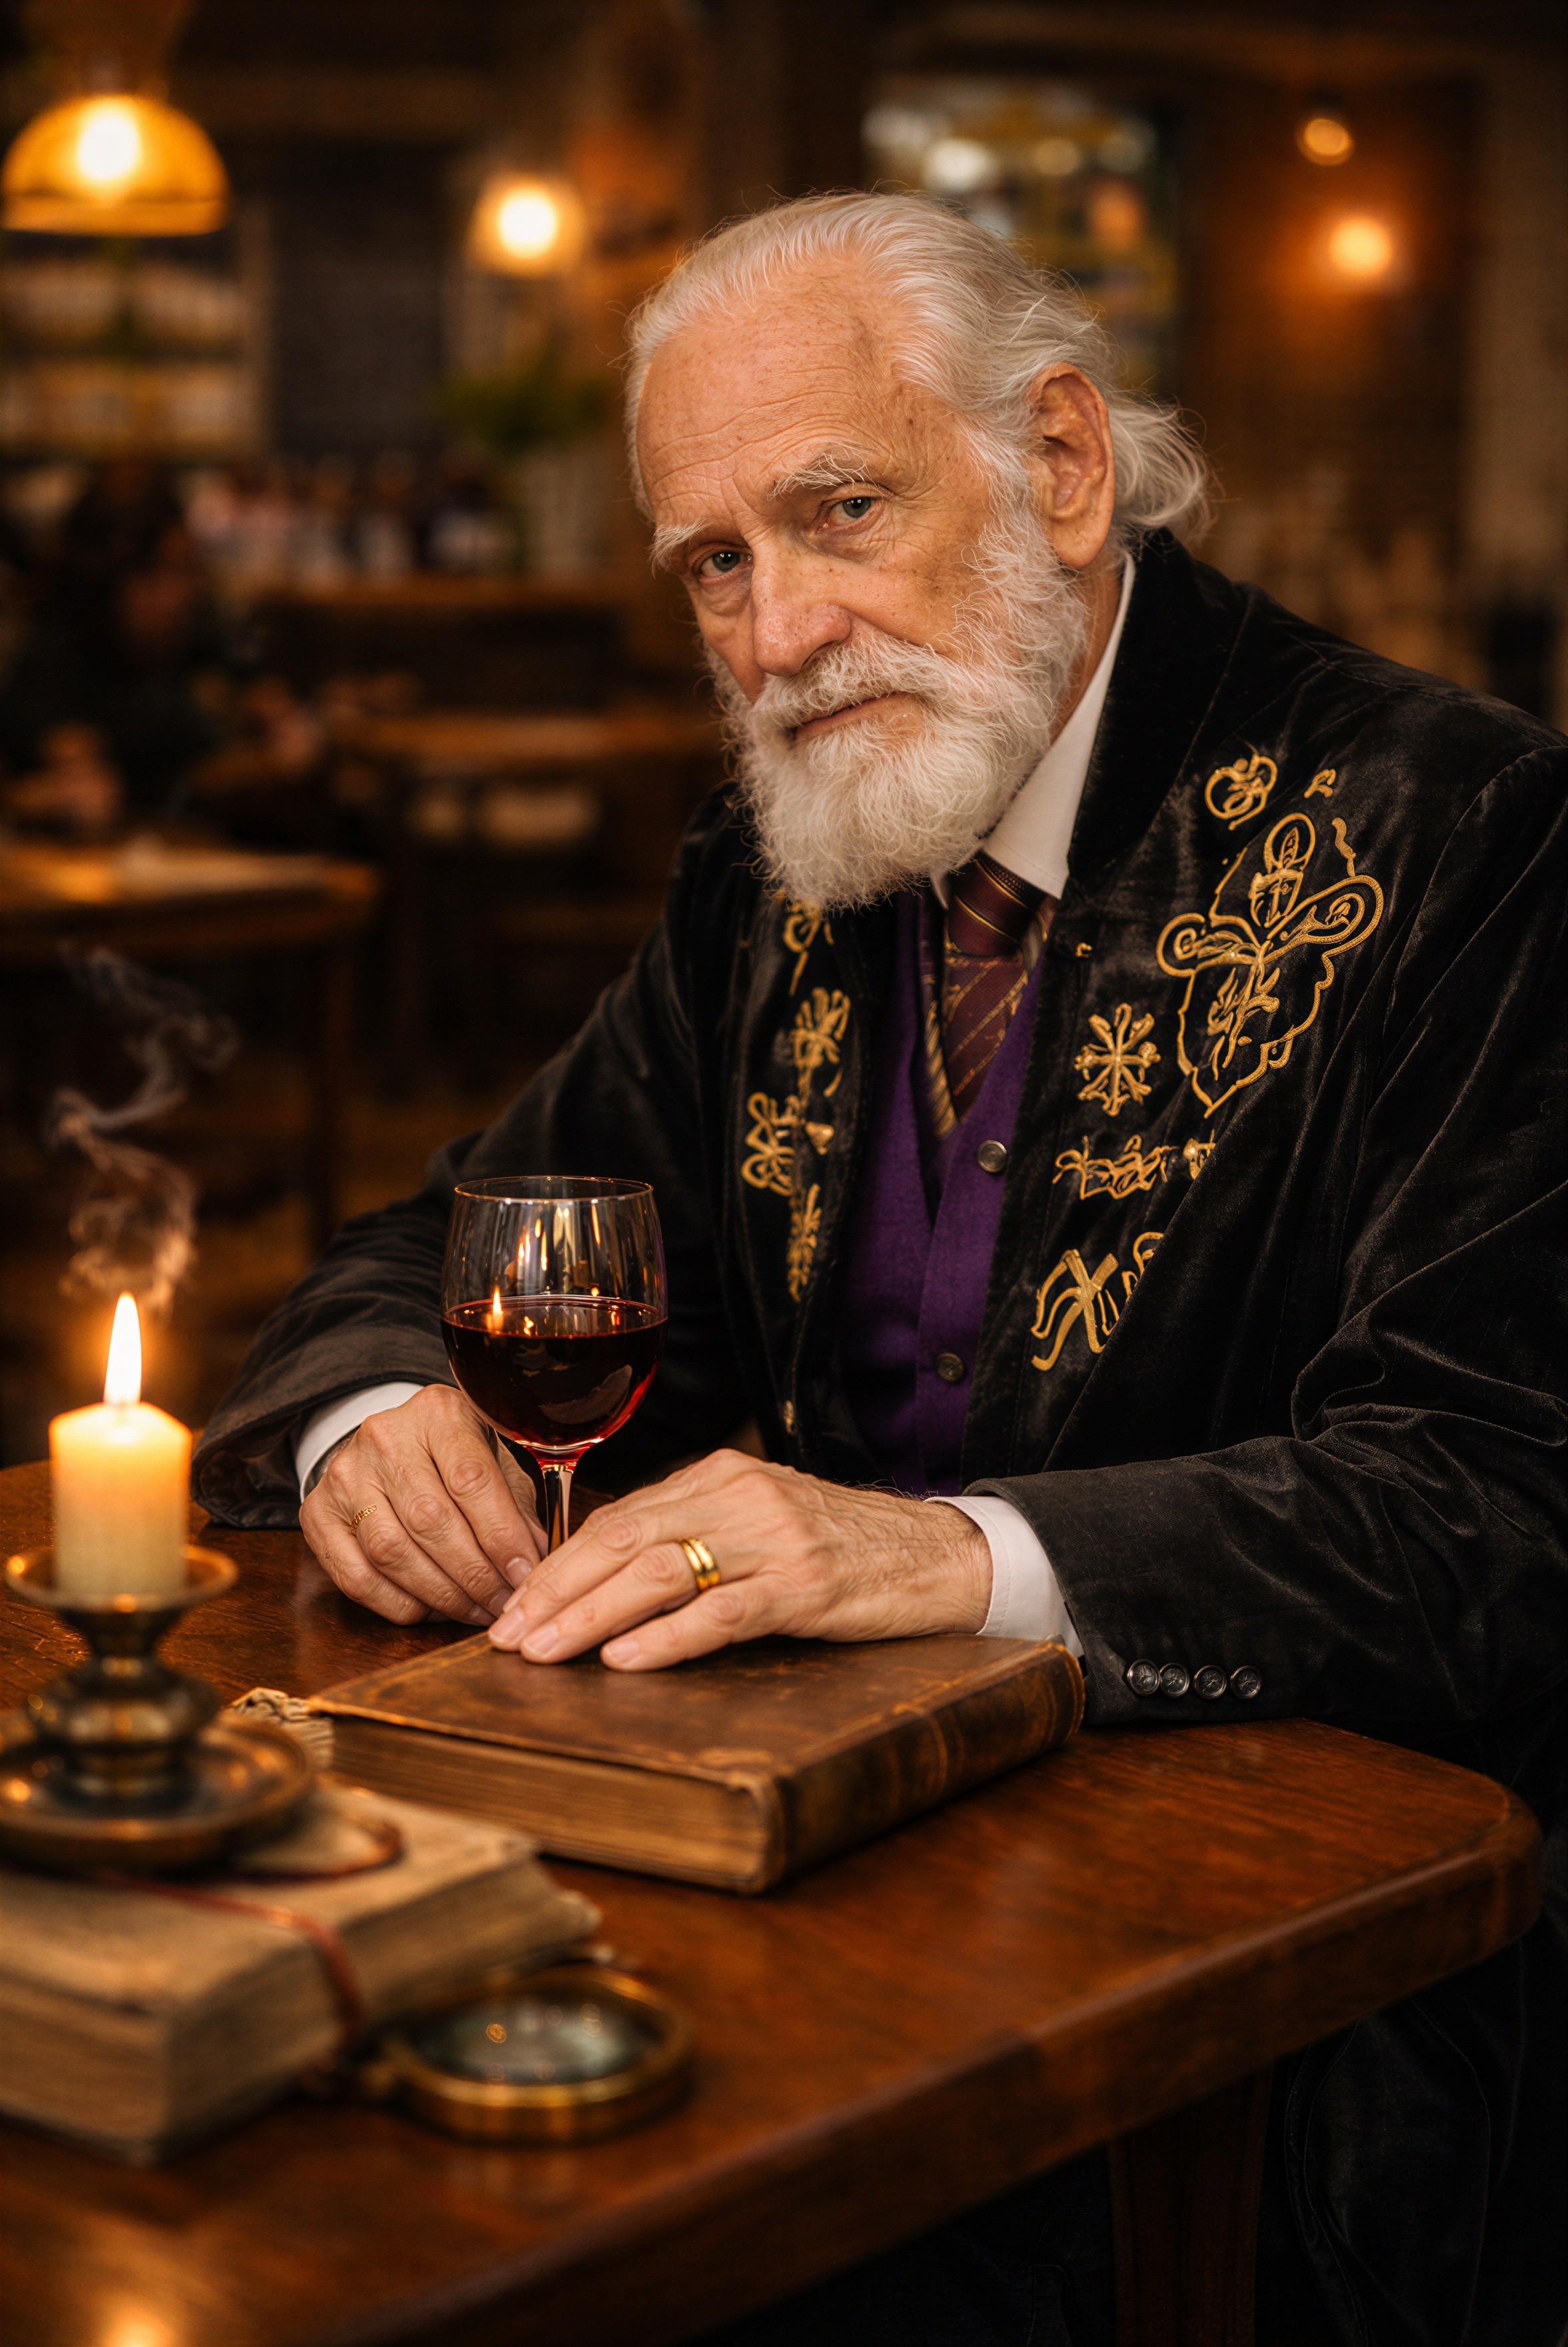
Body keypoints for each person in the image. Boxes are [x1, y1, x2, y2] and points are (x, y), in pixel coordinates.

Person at [194, 195, 1565, 2347]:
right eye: (715, 565)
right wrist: (386, 1421)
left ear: (1061, 463)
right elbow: (426, 1245)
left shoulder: (1468, 833)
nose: (776, 635)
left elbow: (1497, 1509)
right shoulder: (787, 864)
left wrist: (940, 1558)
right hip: (833, 1901)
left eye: (840, 510)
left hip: (1305, 2016)